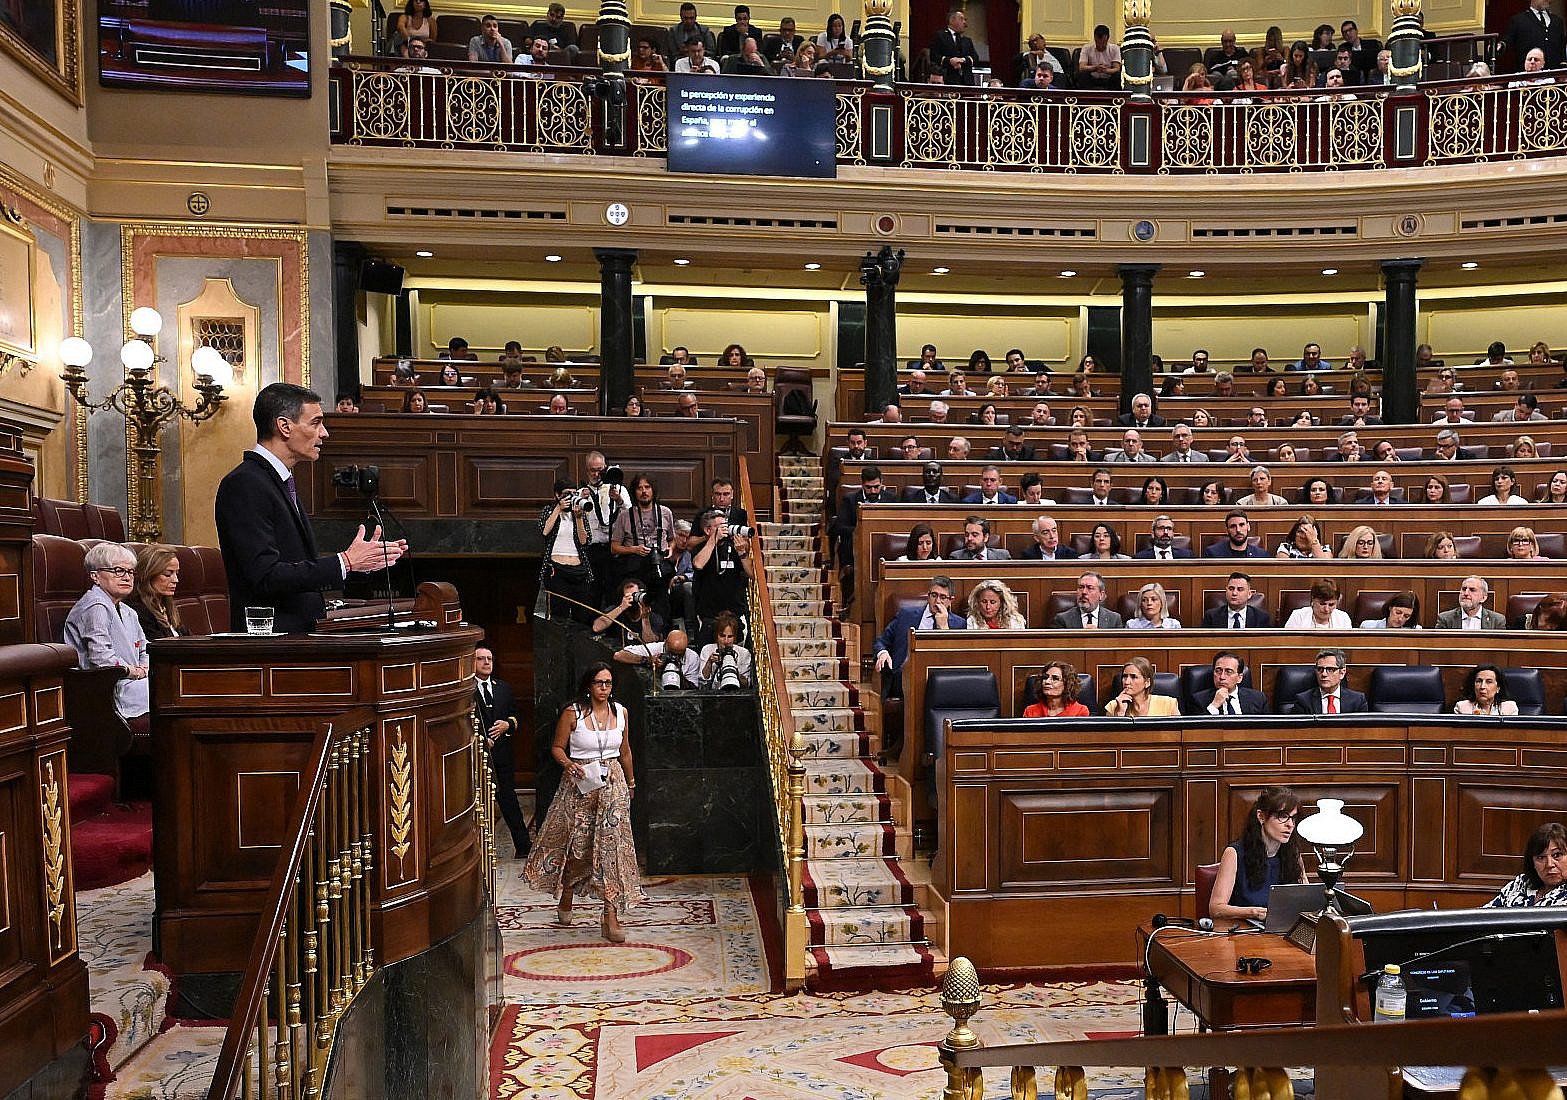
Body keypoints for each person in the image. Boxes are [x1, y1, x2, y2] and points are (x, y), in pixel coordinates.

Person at [216, 383, 406, 634]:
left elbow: (297, 565)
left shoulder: (277, 481)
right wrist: (345, 562)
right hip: (270, 647)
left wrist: (359, 563)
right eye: (316, 423)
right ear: (284, 426)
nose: (324, 433)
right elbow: (265, 575)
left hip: (299, 639)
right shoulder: (245, 484)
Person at [523, 664, 643, 942]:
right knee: (577, 844)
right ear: (588, 685)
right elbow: (556, 747)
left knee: (613, 848)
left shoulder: (621, 712)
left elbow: (625, 751)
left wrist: (632, 782)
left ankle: (610, 913)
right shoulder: (572, 713)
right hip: (580, 783)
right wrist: (568, 764)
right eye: (599, 683)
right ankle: (567, 891)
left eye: (609, 683)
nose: (604, 688)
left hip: (612, 784)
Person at [64, 542, 150, 723]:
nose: (127, 577)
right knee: (177, 691)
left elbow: (145, 648)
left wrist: (145, 668)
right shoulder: (95, 606)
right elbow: (101, 658)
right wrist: (134, 672)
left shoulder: (128, 611)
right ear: (95, 576)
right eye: (118, 570)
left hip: (133, 683)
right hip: (106, 691)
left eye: (130, 572)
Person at [1209, 787, 1306, 922]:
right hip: (1245, 931)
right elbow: (1216, 909)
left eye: (1293, 818)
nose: (1290, 825)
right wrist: (1253, 912)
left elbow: (1306, 899)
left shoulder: (1292, 852)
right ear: (1261, 816)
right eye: (1283, 816)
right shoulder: (1234, 853)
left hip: (1281, 929)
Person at [474, 644, 531, 858]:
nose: (486, 662)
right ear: (473, 663)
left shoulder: (503, 688)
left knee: (509, 800)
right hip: (478, 756)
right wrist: (480, 740)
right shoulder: (467, 690)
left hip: (502, 755)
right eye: (481, 659)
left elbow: (516, 716)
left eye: (489, 658)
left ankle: (523, 846)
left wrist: (508, 724)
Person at [873, 576, 966, 698]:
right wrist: (883, 653)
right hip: (903, 676)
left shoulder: (959, 624)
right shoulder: (906, 614)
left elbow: (955, 660)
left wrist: (944, 627)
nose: (937, 601)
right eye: (934, 595)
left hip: (940, 680)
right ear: (928, 596)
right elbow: (881, 641)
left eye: (943, 597)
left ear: (951, 600)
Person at [540, 478, 598, 623]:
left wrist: (578, 518)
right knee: (560, 611)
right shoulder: (549, 510)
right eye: (567, 494)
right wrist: (558, 509)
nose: (571, 497)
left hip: (579, 569)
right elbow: (545, 531)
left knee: (582, 613)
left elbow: (585, 540)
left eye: (573, 493)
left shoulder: (580, 512)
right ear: (557, 495)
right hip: (557, 569)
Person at [1485, 823, 1567, 907]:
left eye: (1557, 855)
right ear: (1533, 862)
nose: (1549, 864)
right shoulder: (1521, 883)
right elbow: (1484, 915)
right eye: (1541, 857)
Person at [126, 543, 189, 641]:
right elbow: (158, 647)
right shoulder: (138, 609)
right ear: (149, 575)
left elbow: (188, 638)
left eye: (176, 573)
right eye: (168, 574)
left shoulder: (166, 605)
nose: (175, 580)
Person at [613, 626, 703, 687]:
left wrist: (677, 672)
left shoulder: (692, 657)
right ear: (665, 644)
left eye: (679, 654)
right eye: (672, 653)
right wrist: (647, 660)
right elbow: (619, 655)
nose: (675, 656)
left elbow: (693, 689)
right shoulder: (654, 648)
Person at [591, 578, 664, 648]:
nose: (633, 600)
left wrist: (645, 619)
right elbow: (596, 628)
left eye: (635, 595)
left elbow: (650, 645)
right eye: (629, 597)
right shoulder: (616, 610)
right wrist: (621, 608)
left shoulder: (653, 617)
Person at [1294, 647, 1369, 713]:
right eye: (1320, 669)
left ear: (1342, 673)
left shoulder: (1358, 700)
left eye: (1330, 669)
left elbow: (1361, 729)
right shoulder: (1303, 700)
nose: (1324, 674)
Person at [1196, 651, 1268, 716]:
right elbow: (1195, 729)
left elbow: (1268, 728)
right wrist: (1214, 706)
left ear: (1239, 678)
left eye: (1228, 672)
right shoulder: (1199, 700)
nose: (1222, 677)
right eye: (1218, 671)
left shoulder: (1258, 699)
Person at [1104, 657, 1179, 717]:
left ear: (1147, 682)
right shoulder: (1113, 706)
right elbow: (1110, 736)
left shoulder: (1168, 704)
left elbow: (1179, 734)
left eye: (1134, 677)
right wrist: (1119, 713)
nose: (1126, 682)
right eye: (1125, 676)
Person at [698, 611, 753, 688]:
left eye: (730, 636)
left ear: (735, 637)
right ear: (716, 636)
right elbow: (702, 682)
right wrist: (709, 663)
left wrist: (734, 670)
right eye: (722, 636)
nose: (726, 641)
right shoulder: (707, 649)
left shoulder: (744, 653)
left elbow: (746, 685)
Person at [1054, 571, 1124, 629]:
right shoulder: (1062, 619)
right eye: (1081, 587)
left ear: (1101, 595)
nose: (1084, 592)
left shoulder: (1114, 619)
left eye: (1090, 588)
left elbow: (1118, 644)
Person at [1202, 571, 1272, 628]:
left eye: (1240, 589)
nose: (1234, 593)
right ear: (1226, 591)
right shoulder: (1211, 616)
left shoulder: (1261, 617)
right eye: (1231, 589)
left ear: (1249, 594)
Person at [1023, 660, 1090, 717]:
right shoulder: (1030, 711)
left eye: (1055, 679)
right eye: (1045, 677)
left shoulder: (1080, 711)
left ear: (1067, 684)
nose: (1047, 682)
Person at [1436, 576, 1506, 629]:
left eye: (1472, 590)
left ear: (1483, 598)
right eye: (1464, 589)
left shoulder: (1497, 620)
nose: (1466, 593)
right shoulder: (1445, 619)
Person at [1284, 578, 1353, 629]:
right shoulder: (1298, 616)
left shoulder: (1343, 618)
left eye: (1331, 605)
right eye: (1322, 604)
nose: (1326, 609)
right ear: (1313, 600)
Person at [1454, 663, 1518, 716]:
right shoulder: (1462, 707)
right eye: (1479, 681)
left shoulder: (1510, 708)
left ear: (1498, 688)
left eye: (1489, 682)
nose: (1482, 686)